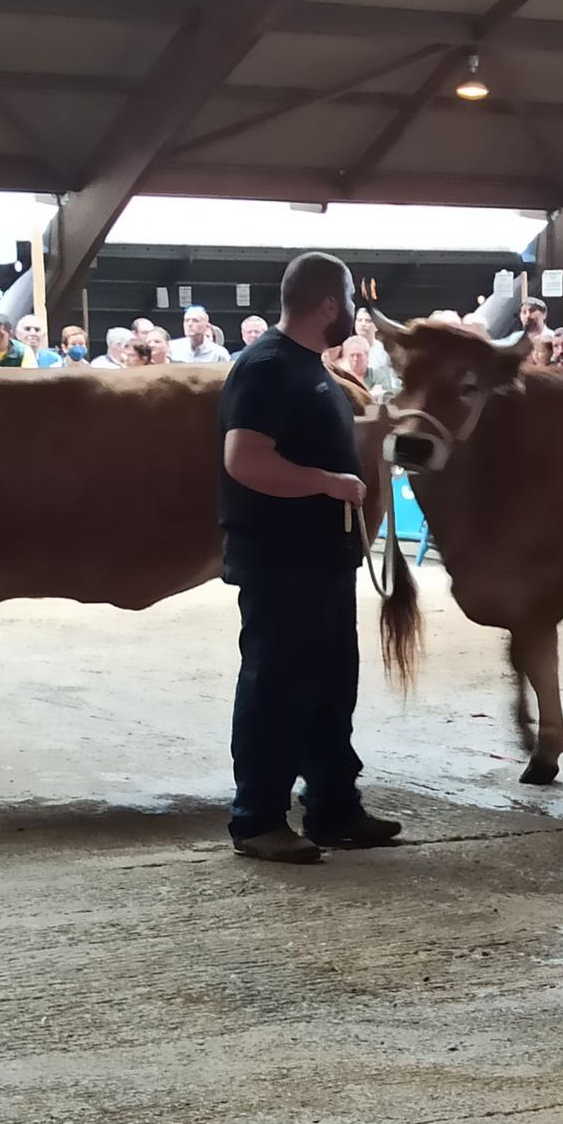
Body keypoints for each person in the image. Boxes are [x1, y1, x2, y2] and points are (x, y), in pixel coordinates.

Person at [218, 251, 399, 865]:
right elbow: (244, 459)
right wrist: (329, 481)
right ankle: (258, 818)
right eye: (349, 299)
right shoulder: (267, 367)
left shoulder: (306, 368)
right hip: (282, 560)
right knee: (276, 685)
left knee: (328, 686)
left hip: (320, 560)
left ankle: (334, 808)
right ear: (328, 304)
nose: (353, 311)